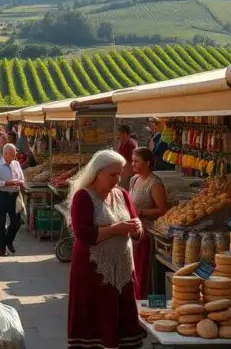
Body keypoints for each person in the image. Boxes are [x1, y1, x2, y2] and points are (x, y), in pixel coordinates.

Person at [67, 149, 144, 349]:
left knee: (123, 320)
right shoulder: (83, 197)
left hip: (123, 269)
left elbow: (136, 224)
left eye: (119, 174)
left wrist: (137, 229)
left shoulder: (122, 194)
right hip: (94, 270)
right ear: (97, 173)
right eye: (112, 175)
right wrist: (116, 229)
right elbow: (84, 235)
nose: (117, 179)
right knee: (97, 318)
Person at [128, 147, 166, 298]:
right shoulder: (134, 179)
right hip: (133, 231)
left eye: (137, 161)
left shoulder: (155, 183)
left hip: (147, 232)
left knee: (143, 270)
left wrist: (142, 212)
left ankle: (142, 297)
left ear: (148, 163)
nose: (133, 164)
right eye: (132, 161)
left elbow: (162, 210)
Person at [0, 144, 24, 256]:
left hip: (14, 195)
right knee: (1, 222)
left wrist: (20, 182)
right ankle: (2, 249)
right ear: (6, 154)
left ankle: (8, 240)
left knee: (17, 221)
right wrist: (6, 183)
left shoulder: (16, 164)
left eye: (15, 153)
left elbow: (21, 177)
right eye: (13, 154)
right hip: (1, 196)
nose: (15, 155)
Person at [116, 124, 138, 192]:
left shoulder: (131, 143)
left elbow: (134, 160)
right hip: (123, 172)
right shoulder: (122, 142)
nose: (118, 135)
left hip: (128, 173)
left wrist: (130, 173)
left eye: (119, 133)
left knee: (125, 191)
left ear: (124, 133)